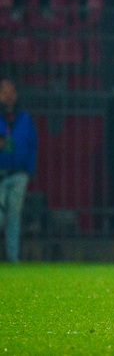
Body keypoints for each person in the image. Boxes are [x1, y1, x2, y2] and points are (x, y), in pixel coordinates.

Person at [0, 80, 37, 263]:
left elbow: (32, 146)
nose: (8, 95)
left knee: (14, 217)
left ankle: (12, 257)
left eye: (11, 91)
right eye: (4, 91)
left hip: (18, 174)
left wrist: (28, 171)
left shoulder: (23, 118)